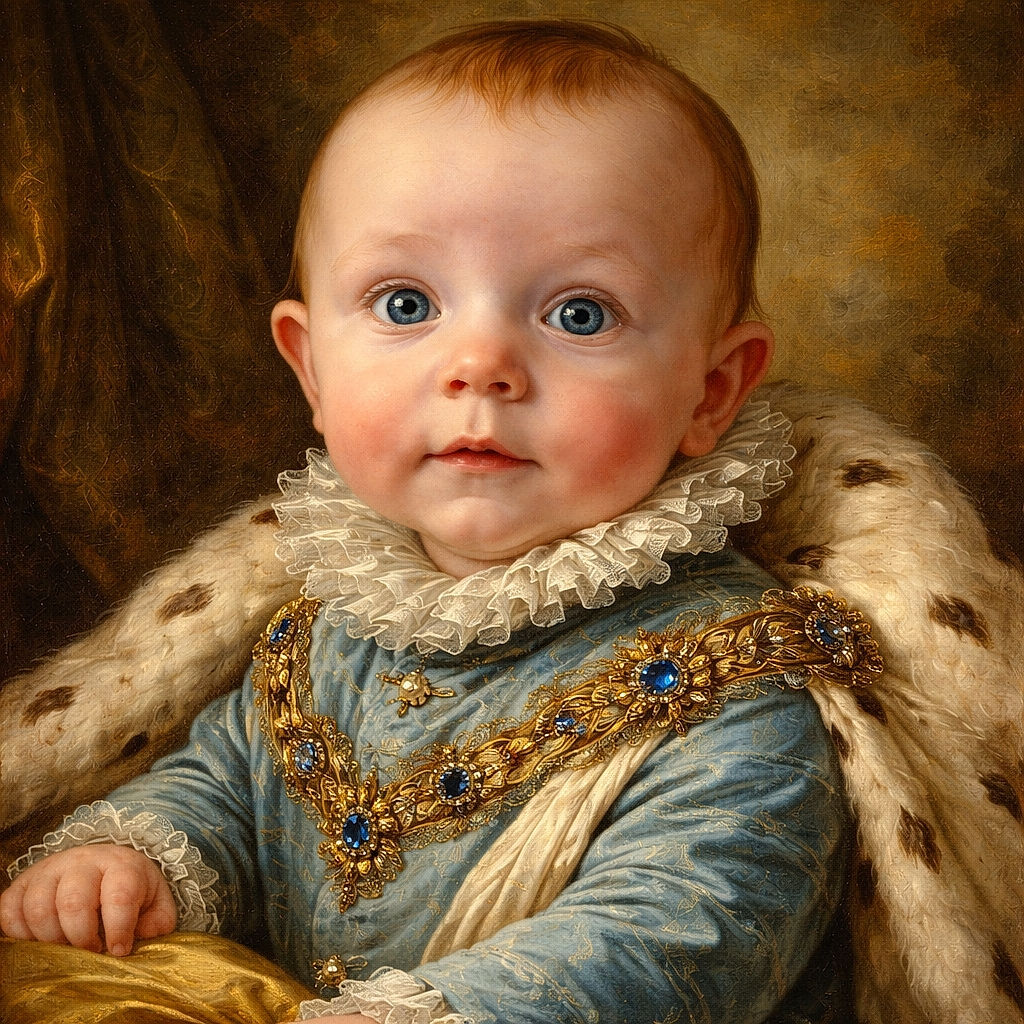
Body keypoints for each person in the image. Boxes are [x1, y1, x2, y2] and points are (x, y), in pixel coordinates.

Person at [0, 21, 887, 1024]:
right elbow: (233, 784)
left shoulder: (739, 684)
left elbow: (681, 931)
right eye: (407, 301)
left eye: (580, 314)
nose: (480, 364)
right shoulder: (327, 617)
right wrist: (137, 856)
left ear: (709, 391)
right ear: (312, 370)